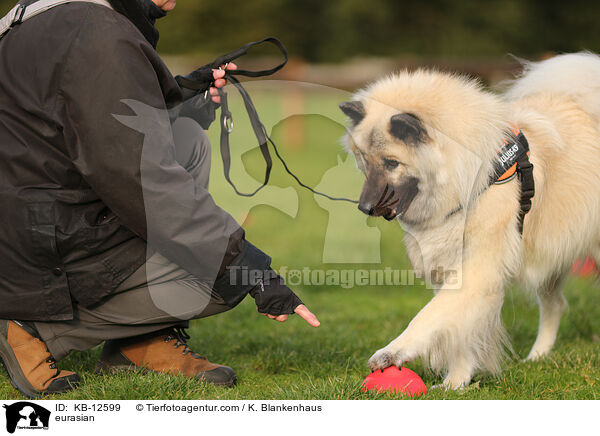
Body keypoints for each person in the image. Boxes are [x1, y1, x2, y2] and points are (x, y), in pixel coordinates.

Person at [0, 0, 319, 398]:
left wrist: (180, 98)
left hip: (31, 218)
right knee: (211, 280)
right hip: (32, 250)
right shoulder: (96, 32)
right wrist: (247, 268)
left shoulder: (58, 13)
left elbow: (84, 129)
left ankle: (140, 343)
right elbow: (135, 172)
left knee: (187, 141)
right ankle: (32, 326)